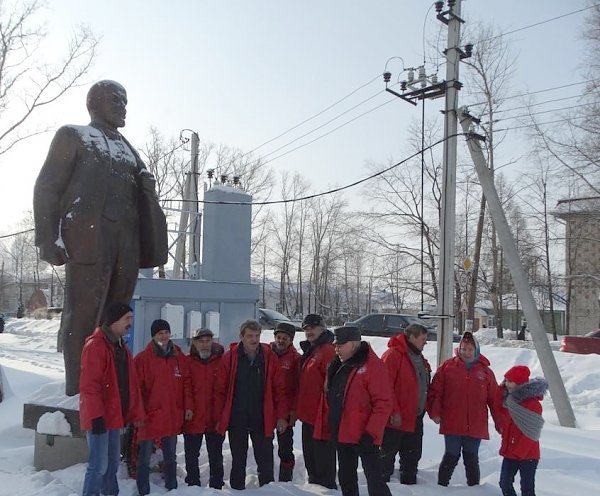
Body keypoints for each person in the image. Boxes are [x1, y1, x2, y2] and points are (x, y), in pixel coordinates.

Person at [33, 80, 167, 396]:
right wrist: (47, 239)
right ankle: (78, 389)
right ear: (95, 103)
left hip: (127, 241)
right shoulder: (74, 135)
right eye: (116, 100)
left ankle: (109, 384)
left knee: (118, 316)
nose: (123, 107)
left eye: (125, 101)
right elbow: (47, 187)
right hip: (89, 239)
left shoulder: (129, 148)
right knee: (83, 314)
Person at [315, 326, 393, 496]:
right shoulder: (337, 365)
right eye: (335, 345)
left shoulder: (373, 366)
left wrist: (371, 433)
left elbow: (383, 403)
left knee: (375, 481)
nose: (336, 349)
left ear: (353, 344)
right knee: (346, 479)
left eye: (340, 345)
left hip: (365, 436)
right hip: (342, 433)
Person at [79, 303, 144, 496]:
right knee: (98, 465)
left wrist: (135, 412)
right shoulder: (96, 346)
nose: (130, 324)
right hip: (100, 418)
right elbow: (89, 386)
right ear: (114, 320)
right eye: (127, 319)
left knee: (112, 464)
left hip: (115, 417)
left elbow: (130, 384)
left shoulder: (120, 346)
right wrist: (96, 416)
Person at [213, 319, 287, 490]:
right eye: (250, 336)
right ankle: (237, 491)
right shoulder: (230, 358)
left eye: (257, 335)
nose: (254, 340)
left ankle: (268, 491)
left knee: (265, 461)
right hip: (237, 418)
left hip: (262, 417)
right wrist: (219, 417)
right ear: (241, 337)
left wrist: (281, 416)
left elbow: (279, 389)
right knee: (238, 460)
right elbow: (219, 391)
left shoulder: (269, 357)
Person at [427, 331, 503, 486]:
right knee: (451, 454)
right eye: (463, 349)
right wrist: (435, 412)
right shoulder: (447, 368)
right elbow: (436, 392)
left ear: (476, 350)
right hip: (452, 421)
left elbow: (495, 400)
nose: (466, 353)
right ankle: (441, 487)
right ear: (459, 349)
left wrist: (500, 423)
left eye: (470, 350)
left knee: (471, 457)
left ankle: (474, 488)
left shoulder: (485, 372)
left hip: (476, 422)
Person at [134, 319, 193, 496]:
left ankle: (172, 489)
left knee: (170, 456)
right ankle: (143, 491)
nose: (164, 336)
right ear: (153, 336)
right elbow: (136, 389)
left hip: (171, 414)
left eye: (166, 332)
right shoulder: (143, 359)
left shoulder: (178, 356)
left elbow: (186, 384)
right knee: (143, 458)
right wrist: (138, 413)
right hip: (149, 416)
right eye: (160, 333)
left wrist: (188, 406)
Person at [380, 323, 431, 485]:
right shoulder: (394, 355)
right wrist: (393, 411)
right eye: (423, 339)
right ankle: (382, 487)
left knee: (412, 457)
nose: (425, 342)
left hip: (415, 417)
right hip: (395, 419)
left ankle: (410, 486)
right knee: (386, 457)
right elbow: (384, 386)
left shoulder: (419, 357)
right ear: (412, 337)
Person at [296, 313, 337, 489]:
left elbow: (331, 388)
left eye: (313, 327)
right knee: (312, 464)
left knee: (323, 466)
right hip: (309, 417)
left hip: (322, 419)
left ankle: (327, 491)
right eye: (306, 328)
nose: (309, 331)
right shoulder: (312, 350)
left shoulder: (327, 351)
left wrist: (327, 415)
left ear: (323, 328)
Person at [183, 328, 225, 489]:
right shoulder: (188, 361)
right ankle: (193, 485)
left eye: (208, 341)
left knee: (216, 455)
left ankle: (216, 486)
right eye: (201, 341)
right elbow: (185, 387)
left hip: (214, 416)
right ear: (194, 342)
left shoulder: (221, 360)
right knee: (192, 456)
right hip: (193, 416)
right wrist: (188, 407)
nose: (205, 345)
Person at [498, 365, 548, 496]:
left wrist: (519, 453)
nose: (506, 383)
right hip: (510, 451)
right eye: (506, 380)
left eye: (510, 381)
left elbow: (532, 433)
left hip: (528, 454)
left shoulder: (533, 404)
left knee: (527, 489)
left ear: (519, 383)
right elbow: (495, 399)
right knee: (504, 483)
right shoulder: (509, 400)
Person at [270, 322, 301, 482]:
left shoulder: (296, 359)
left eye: (285, 338)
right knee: (265, 445)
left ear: (291, 340)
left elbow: (298, 388)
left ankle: (286, 479)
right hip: (267, 408)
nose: (281, 341)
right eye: (278, 337)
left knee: (285, 447)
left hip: (286, 410)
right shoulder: (267, 353)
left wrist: (292, 411)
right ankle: (267, 480)